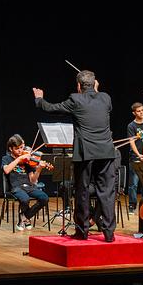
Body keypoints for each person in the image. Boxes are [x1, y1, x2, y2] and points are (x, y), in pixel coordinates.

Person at [33, 70, 117, 242]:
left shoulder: (76, 99)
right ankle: (109, 234)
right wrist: (96, 89)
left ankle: (82, 232)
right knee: (107, 193)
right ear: (94, 84)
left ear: (78, 86)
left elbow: (52, 108)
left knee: (82, 192)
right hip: (106, 152)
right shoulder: (105, 98)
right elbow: (99, 100)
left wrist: (39, 99)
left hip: (85, 153)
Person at [2, 134, 50, 231]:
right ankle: (26, 220)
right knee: (25, 199)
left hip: (29, 186)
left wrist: (39, 169)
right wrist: (18, 159)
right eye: (17, 149)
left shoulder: (27, 161)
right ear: (11, 149)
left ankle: (25, 217)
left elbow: (33, 180)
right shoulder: (6, 159)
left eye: (21, 148)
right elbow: (6, 170)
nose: (20, 151)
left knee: (44, 198)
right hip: (16, 187)